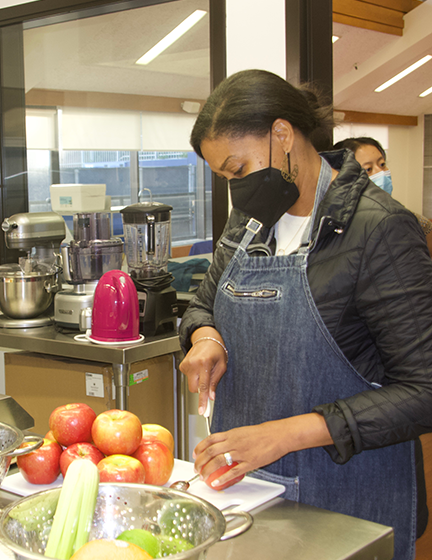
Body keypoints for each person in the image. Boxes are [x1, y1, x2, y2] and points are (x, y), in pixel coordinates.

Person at [179, 69, 432, 560]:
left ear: (282, 134)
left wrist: (287, 434)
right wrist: (206, 336)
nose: (236, 189)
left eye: (238, 169)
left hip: (347, 500)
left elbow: (424, 390)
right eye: (225, 177)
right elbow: (203, 303)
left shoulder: (377, 229)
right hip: (252, 492)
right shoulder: (250, 220)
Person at [332, 136, 432, 255]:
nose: (381, 173)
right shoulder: (333, 226)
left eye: (382, 164)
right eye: (368, 169)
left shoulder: (415, 222)